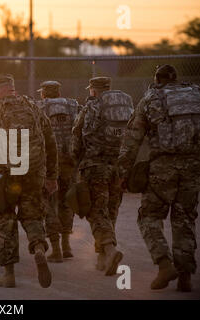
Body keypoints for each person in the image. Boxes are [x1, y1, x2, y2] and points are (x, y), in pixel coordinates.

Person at [118, 64, 200, 292]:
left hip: (163, 167)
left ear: (157, 80)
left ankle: (164, 264)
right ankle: (185, 276)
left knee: (149, 216)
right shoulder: (196, 94)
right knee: (184, 220)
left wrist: (123, 173)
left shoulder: (151, 98)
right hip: (193, 167)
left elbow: (132, 139)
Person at [0, 74, 59, 288]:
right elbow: (50, 140)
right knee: (32, 215)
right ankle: (39, 248)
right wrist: (51, 176)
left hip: (5, 176)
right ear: (13, 89)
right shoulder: (32, 107)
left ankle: (9, 274)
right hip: (33, 172)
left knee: (5, 219)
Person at [71, 77, 133, 275]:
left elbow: (77, 138)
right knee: (111, 209)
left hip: (95, 166)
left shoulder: (91, 107)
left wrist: (76, 161)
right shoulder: (123, 107)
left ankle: (109, 248)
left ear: (94, 91)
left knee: (96, 211)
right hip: (118, 166)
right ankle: (103, 257)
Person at [37, 80, 79, 262]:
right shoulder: (72, 105)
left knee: (48, 203)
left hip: (48, 163)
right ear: (59, 92)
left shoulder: (39, 107)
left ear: (44, 93)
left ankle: (55, 249)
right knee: (66, 202)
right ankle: (67, 245)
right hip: (69, 161)